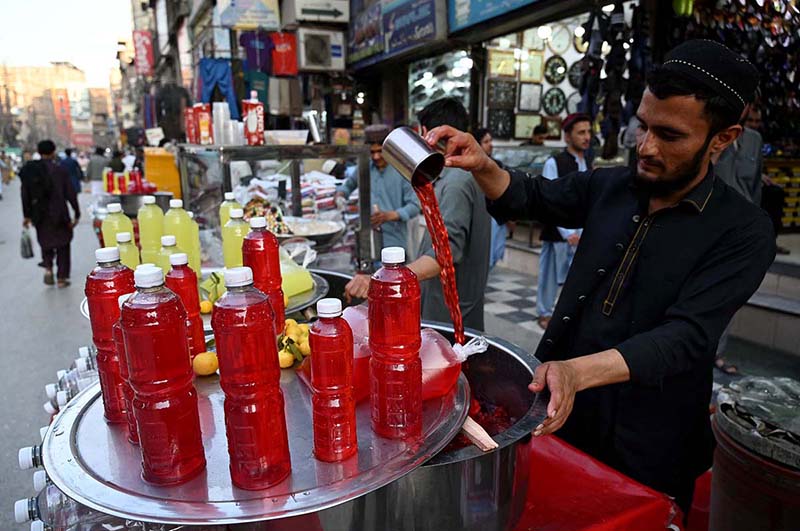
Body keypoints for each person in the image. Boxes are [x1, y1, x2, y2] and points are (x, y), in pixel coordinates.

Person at [424, 40, 775, 516]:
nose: (646, 148)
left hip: (652, 435)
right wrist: (483, 165)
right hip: (564, 413)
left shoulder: (742, 230)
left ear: (723, 138)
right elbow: (533, 197)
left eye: (669, 136)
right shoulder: (614, 186)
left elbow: (687, 335)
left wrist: (577, 370)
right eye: (642, 127)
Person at [345, 98, 492, 332]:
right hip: (447, 306)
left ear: (428, 134)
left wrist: (382, 280)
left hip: (451, 316)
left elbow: (444, 254)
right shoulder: (454, 175)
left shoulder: (457, 182)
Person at [712, 105, 764, 375]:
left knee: (728, 292)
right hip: (709, 224)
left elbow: (754, 186)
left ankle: (717, 353)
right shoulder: (713, 132)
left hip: (740, 229)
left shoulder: (754, 141)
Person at [536, 114, 592, 330]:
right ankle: (545, 312)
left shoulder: (586, 162)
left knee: (576, 278)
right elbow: (549, 199)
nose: (587, 137)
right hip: (558, 231)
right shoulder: (555, 162)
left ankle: (569, 315)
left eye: (588, 132)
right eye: (581, 132)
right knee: (549, 275)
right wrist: (567, 232)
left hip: (581, 231)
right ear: (567, 137)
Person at [336, 124, 420, 255]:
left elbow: (414, 206)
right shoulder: (365, 167)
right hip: (368, 237)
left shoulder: (402, 170)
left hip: (394, 240)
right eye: (372, 152)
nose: (376, 157)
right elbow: (348, 186)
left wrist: (389, 215)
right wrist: (340, 195)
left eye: (380, 151)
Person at [21, 140, 80, 287]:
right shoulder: (59, 171)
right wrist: (77, 212)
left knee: (45, 242)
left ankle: (48, 269)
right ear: (53, 152)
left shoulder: (31, 170)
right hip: (59, 213)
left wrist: (27, 215)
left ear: (39, 152)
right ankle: (61, 278)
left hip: (39, 215)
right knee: (63, 244)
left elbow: (25, 194)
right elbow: (70, 194)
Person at [472, 128, 506, 269]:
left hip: (497, 216)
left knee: (495, 251)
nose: (490, 144)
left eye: (491, 141)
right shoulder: (472, 166)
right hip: (484, 214)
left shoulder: (497, 165)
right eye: (486, 141)